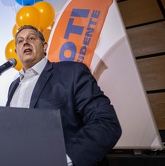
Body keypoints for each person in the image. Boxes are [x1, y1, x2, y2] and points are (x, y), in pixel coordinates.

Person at [6, 25, 121, 166]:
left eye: (31, 38)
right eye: (20, 41)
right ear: (16, 51)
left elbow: (106, 122)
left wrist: (64, 159)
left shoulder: (71, 73)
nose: (25, 43)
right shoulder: (14, 87)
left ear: (44, 46)